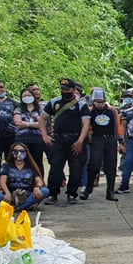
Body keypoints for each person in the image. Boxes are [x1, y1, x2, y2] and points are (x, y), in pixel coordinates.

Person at [39, 78, 90, 206]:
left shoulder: (81, 105)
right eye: (62, 89)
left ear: (73, 90)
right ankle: (53, 194)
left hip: (75, 139)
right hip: (59, 139)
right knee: (56, 167)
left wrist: (80, 141)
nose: (64, 91)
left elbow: (86, 123)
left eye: (67, 89)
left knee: (76, 168)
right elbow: (42, 118)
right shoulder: (54, 102)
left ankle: (72, 194)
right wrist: (44, 135)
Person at [81, 89, 122, 201]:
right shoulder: (90, 112)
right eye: (97, 102)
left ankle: (110, 192)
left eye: (102, 102)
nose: (100, 104)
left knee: (111, 166)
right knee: (94, 164)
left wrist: (120, 141)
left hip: (110, 139)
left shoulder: (112, 111)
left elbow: (117, 127)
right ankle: (88, 189)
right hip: (96, 139)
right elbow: (86, 126)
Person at [0, 143, 49, 211]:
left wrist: (37, 187)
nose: (19, 153)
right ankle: (25, 205)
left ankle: (19, 208)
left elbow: (39, 181)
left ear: (26, 152)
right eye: (15, 150)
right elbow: (2, 182)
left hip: (27, 194)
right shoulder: (6, 166)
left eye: (22, 151)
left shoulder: (30, 166)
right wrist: (7, 193)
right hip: (11, 193)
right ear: (12, 152)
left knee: (45, 191)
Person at [13, 88, 47, 177]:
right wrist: (34, 124)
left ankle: (40, 183)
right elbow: (17, 123)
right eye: (24, 96)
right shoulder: (18, 109)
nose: (27, 97)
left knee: (38, 162)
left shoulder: (40, 109)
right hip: (22, 140)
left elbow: (42, 124)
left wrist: (26, 124)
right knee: (22, 161)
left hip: (37, 140)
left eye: (29, 95)